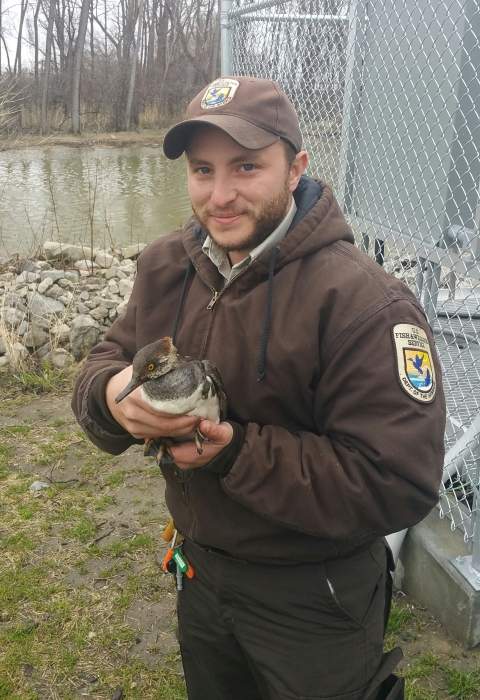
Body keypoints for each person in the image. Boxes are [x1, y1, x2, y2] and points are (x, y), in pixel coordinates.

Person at [72, 76, 446, 700]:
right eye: (202, 170)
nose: (220, 195)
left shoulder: (364, 304)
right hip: (198, 569)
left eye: (247, 167)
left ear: (296, 167)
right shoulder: (167, 265)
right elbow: (107, 358)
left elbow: (398, 479)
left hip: (313, 595)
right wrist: (113, 397)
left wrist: (237, 454)